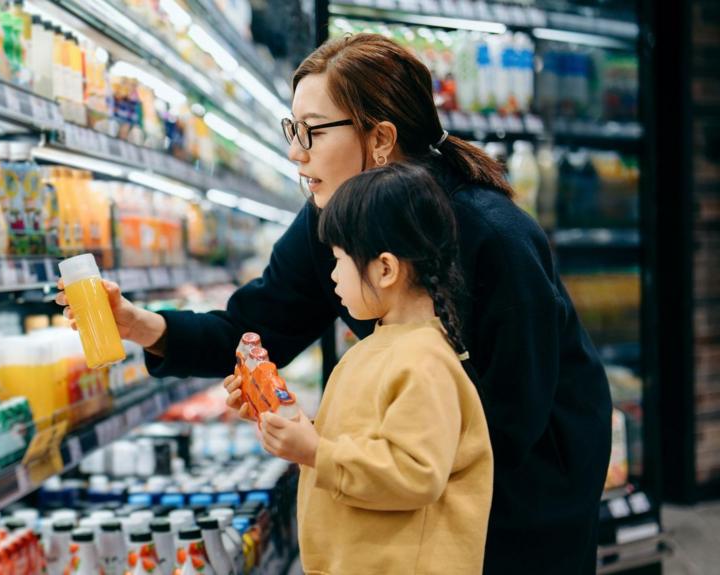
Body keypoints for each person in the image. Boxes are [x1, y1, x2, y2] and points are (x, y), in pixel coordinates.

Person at [57, 33, 611, 574]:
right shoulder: (331, 219)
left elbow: (511, 417)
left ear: (381, 139)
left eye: (313, 132)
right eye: (293, 129)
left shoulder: (495, 237)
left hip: (530, 490)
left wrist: (334, 445)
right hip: (417, 477)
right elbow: (256, 324)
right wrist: (140, 324)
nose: (296, 152)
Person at [256, 163, 493, 574]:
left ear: (385, 269)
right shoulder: (376, 349)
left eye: (339, 261)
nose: (332, 276)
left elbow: (415, 472)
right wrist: (295, 424)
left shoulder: (424, 363)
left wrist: (315, 452)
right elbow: (360, 439)